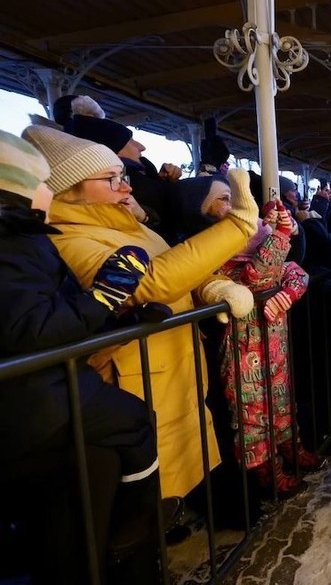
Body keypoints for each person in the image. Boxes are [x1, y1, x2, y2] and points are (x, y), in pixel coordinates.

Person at [20, 124, 262, 499]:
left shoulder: (126, 226)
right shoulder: (67, 236)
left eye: (124, 176)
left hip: (171, 370)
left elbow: (178, 264)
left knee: (176, 480)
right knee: (147, 492)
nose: (126, 187)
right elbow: (148, 283)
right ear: (72, 188)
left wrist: (212, 285)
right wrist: (238, 227)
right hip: (136, 379)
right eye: (112, 178)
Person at [0, 129, 160, 584]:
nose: (47, 191)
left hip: (46, 391)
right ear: (18, 189)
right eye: (41, 183)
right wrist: (107, 296)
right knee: (134, 419)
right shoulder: (15, 241)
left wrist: (123, 318)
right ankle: (136, 520)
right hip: (37, 401)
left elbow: (54, 307)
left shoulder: (25, 238)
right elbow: (32, 328)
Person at [216, 199, 319, 498]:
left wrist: (287, 294)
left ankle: (291, 447)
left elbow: (297, 272)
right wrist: (281, 234)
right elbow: (256, 276)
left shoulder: (264, 257)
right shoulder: (225, 264)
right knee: (252, 413)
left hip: (274, 349)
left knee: (281, 401)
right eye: (223, 199)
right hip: (244, 350)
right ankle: (266, 470)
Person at [64, 114, 182, 241]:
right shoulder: (127, 184)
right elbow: (171, 216)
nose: (141, 147)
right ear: (114, 150)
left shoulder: (142, 173)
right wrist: (145, 217)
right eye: (130, 141)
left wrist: (164, 180)